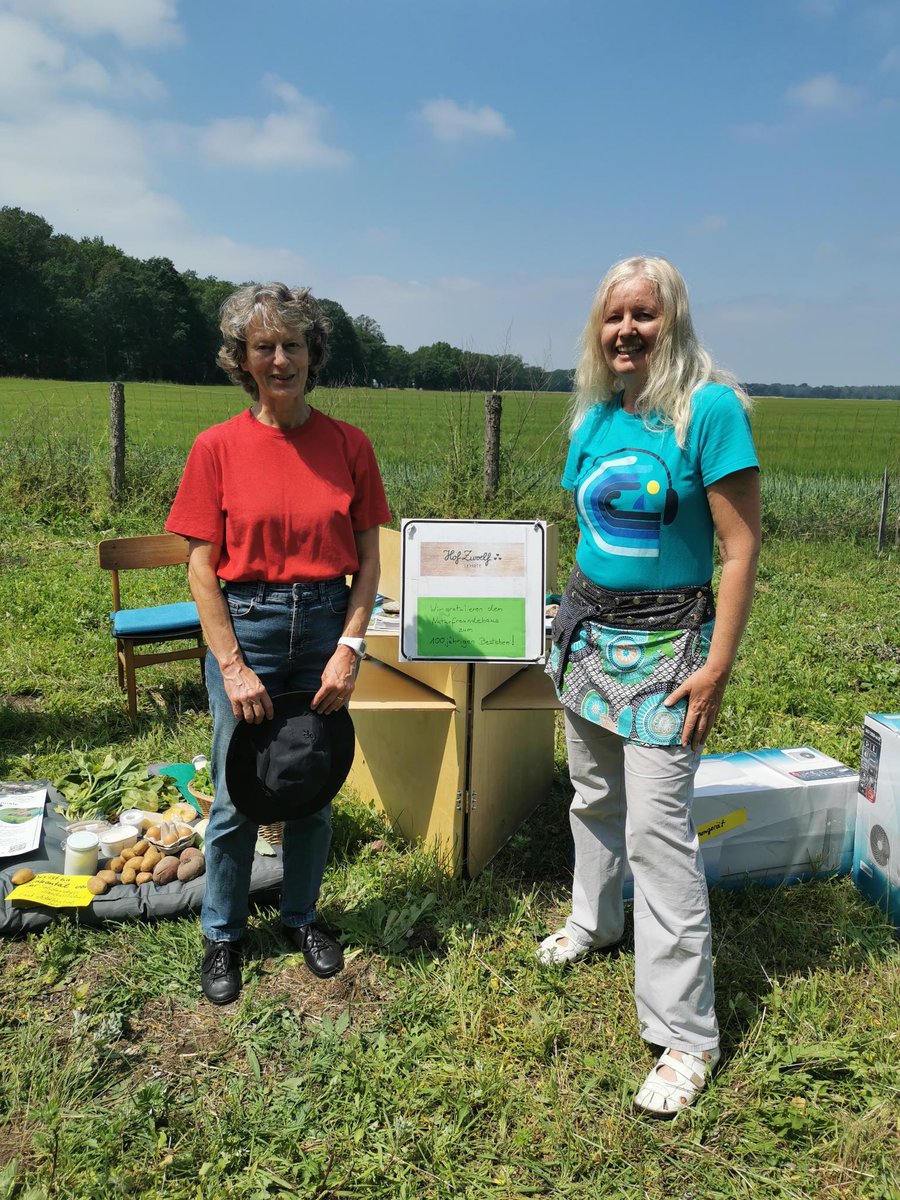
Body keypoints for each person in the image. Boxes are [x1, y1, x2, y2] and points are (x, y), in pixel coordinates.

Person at [539, 256, 760, 1116]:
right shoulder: (595, 415)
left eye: (644, 314)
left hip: (672, 654)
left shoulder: (708, 411)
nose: (626, 330)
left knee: (659, 833)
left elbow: (739, 550)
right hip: (589, 640)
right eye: (613, 316)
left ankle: (685, 1035)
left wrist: (716, 665)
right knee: (592, 794)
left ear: (673, 319)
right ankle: (595, 922)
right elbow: (585, 526)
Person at [166, 282, 391, 1005]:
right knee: (238, 793)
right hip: (250, 623)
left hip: (326, 619)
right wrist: (231, 664)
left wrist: (349, 647)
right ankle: (223, 933)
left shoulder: (350, 445)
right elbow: (202, 568)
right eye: (264, 347)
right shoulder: (217, 448)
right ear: (243, 360)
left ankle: (302, 915)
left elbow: (369, 557)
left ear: (312, 352)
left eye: (293, 344)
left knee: (312, 783)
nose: (281, 358)